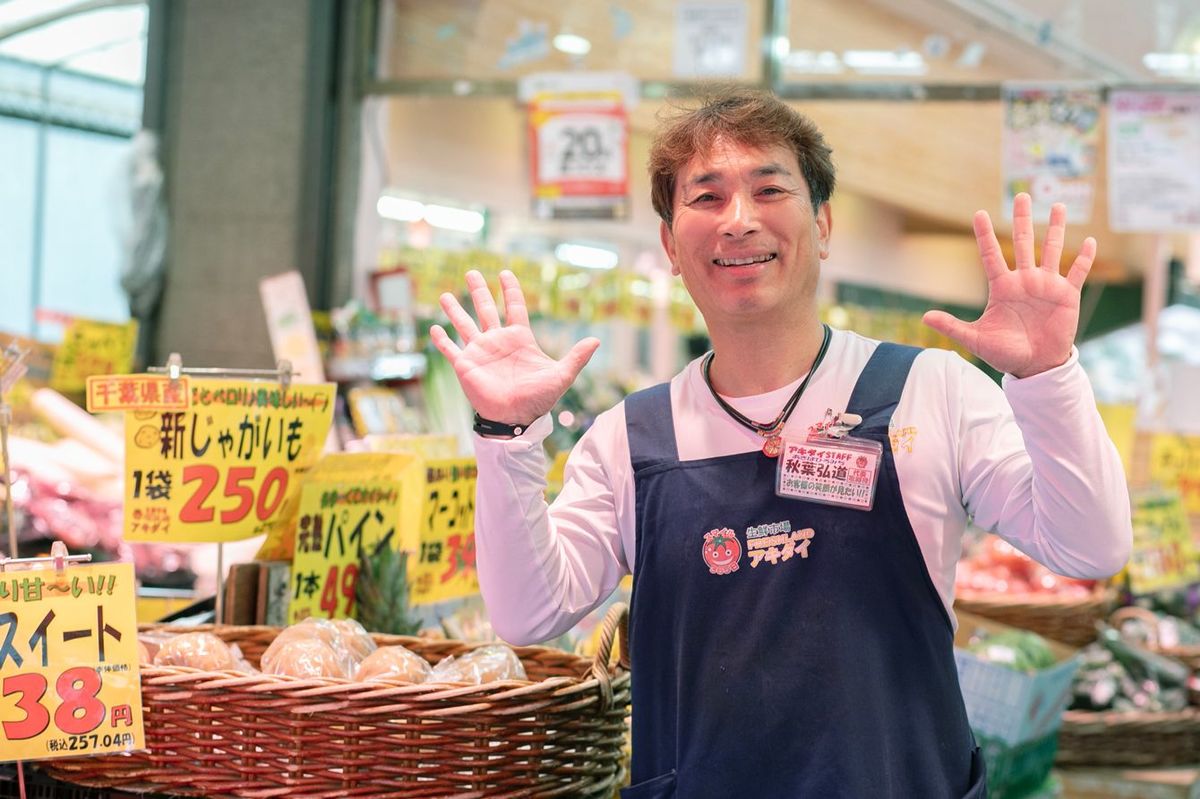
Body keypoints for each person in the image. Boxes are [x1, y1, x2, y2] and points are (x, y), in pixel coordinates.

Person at [430, 88, 1132, 799]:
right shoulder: (632, 438)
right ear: (672, 245)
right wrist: (508, 435)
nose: (739, 220)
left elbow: (1090, 547)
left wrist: (1049, 377)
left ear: (823, 225)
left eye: (769, 188)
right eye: (706, 198)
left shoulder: (931, 391)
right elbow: (527, 612)